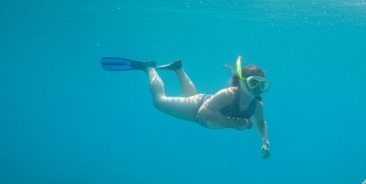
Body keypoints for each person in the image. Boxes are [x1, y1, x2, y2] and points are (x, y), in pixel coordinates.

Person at [103, 55, 271, 158]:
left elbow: (261, 122)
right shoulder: (229, 94)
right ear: (241, 81)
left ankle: (178, 68)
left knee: (189, 97)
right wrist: (233, 123)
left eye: (262, 85)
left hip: (201, 110)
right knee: (159, 102)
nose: (257, 88)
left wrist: (264, 141)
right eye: (253, 82)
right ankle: (149, 68)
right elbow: (203, 111)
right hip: (197, 108)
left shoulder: (256, 106)